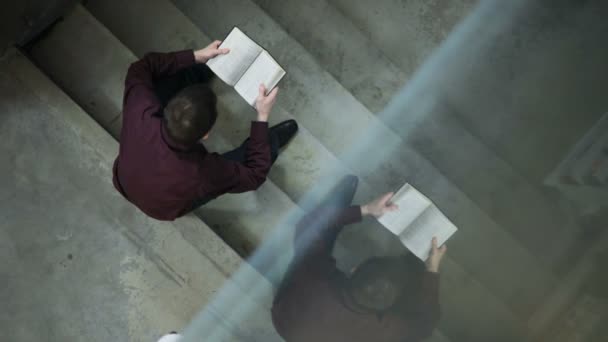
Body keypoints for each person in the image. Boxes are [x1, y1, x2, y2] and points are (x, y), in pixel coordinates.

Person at [112, 41, 298, 220]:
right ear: (205, 135)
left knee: (164, 79)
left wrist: (195, 56)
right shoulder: (201, 173)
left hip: (124, 180)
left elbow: (140, 68)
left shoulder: (140, 107)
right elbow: (254, 175)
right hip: (164, 207)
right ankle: (269, 142)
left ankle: (200, 69)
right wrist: (262, 116)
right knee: (237, 167)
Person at [271, 176, 447, 342]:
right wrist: (431, 271)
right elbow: (424, 326)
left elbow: (309, 225)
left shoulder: (316, 277)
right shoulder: (382, 332)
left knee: (312, 248)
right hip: (289, 328)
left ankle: (339, 207)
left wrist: (366, 210)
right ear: (387, 309)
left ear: (355, 268)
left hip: (285, 319)